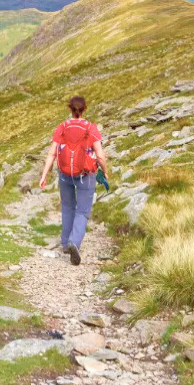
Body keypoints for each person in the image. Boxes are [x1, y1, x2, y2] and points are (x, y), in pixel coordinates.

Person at [37, 95, 111, 265]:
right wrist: (105, 172)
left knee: (67, 206)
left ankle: (65, 243)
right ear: (84, 109)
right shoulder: (90, 128)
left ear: (69, 109)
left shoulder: (61, 127)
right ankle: (74, 242)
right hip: (86, 175)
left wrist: (44, 175)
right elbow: (99, 155)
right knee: (83, 211)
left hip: (64, 174)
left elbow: (52, 153)